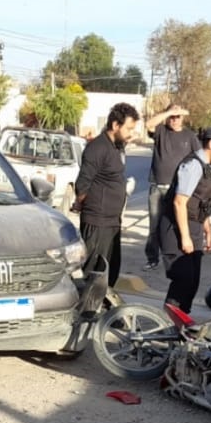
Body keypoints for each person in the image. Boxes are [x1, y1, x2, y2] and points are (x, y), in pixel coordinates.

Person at [157, 125, 211, 311]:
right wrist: (185, 238)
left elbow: (202, 202)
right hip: (176, 227)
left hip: (195, 225)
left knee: (193, 282)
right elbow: (179, 203)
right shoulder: (192, 166)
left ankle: (181, 326)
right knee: (183, 278)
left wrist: (208, 231)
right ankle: (169, 325)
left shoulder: (210, 169)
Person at [73, 102, 140, 287]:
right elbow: (82, 184)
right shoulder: (97, 148)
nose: (131, 134)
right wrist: (83, 204)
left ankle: (103, 313)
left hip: (112, 223)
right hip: (97, 223)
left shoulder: (117, 147)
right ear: (115, 125)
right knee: (95, 276)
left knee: (110, 275)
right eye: (128, 128)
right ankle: (87, 314)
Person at [142, 104, 201, 270]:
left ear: (183, 118)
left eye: (178, 116)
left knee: (177, 223)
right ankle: (152, 258)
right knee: (154, 225)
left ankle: (175, 255)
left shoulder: (189, 136)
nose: (174, 120)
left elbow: (198, 158)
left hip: (180, 189)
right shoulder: (161, 131)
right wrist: (169, 112)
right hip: (157, 187)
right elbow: (149, 124)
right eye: (172, 117)